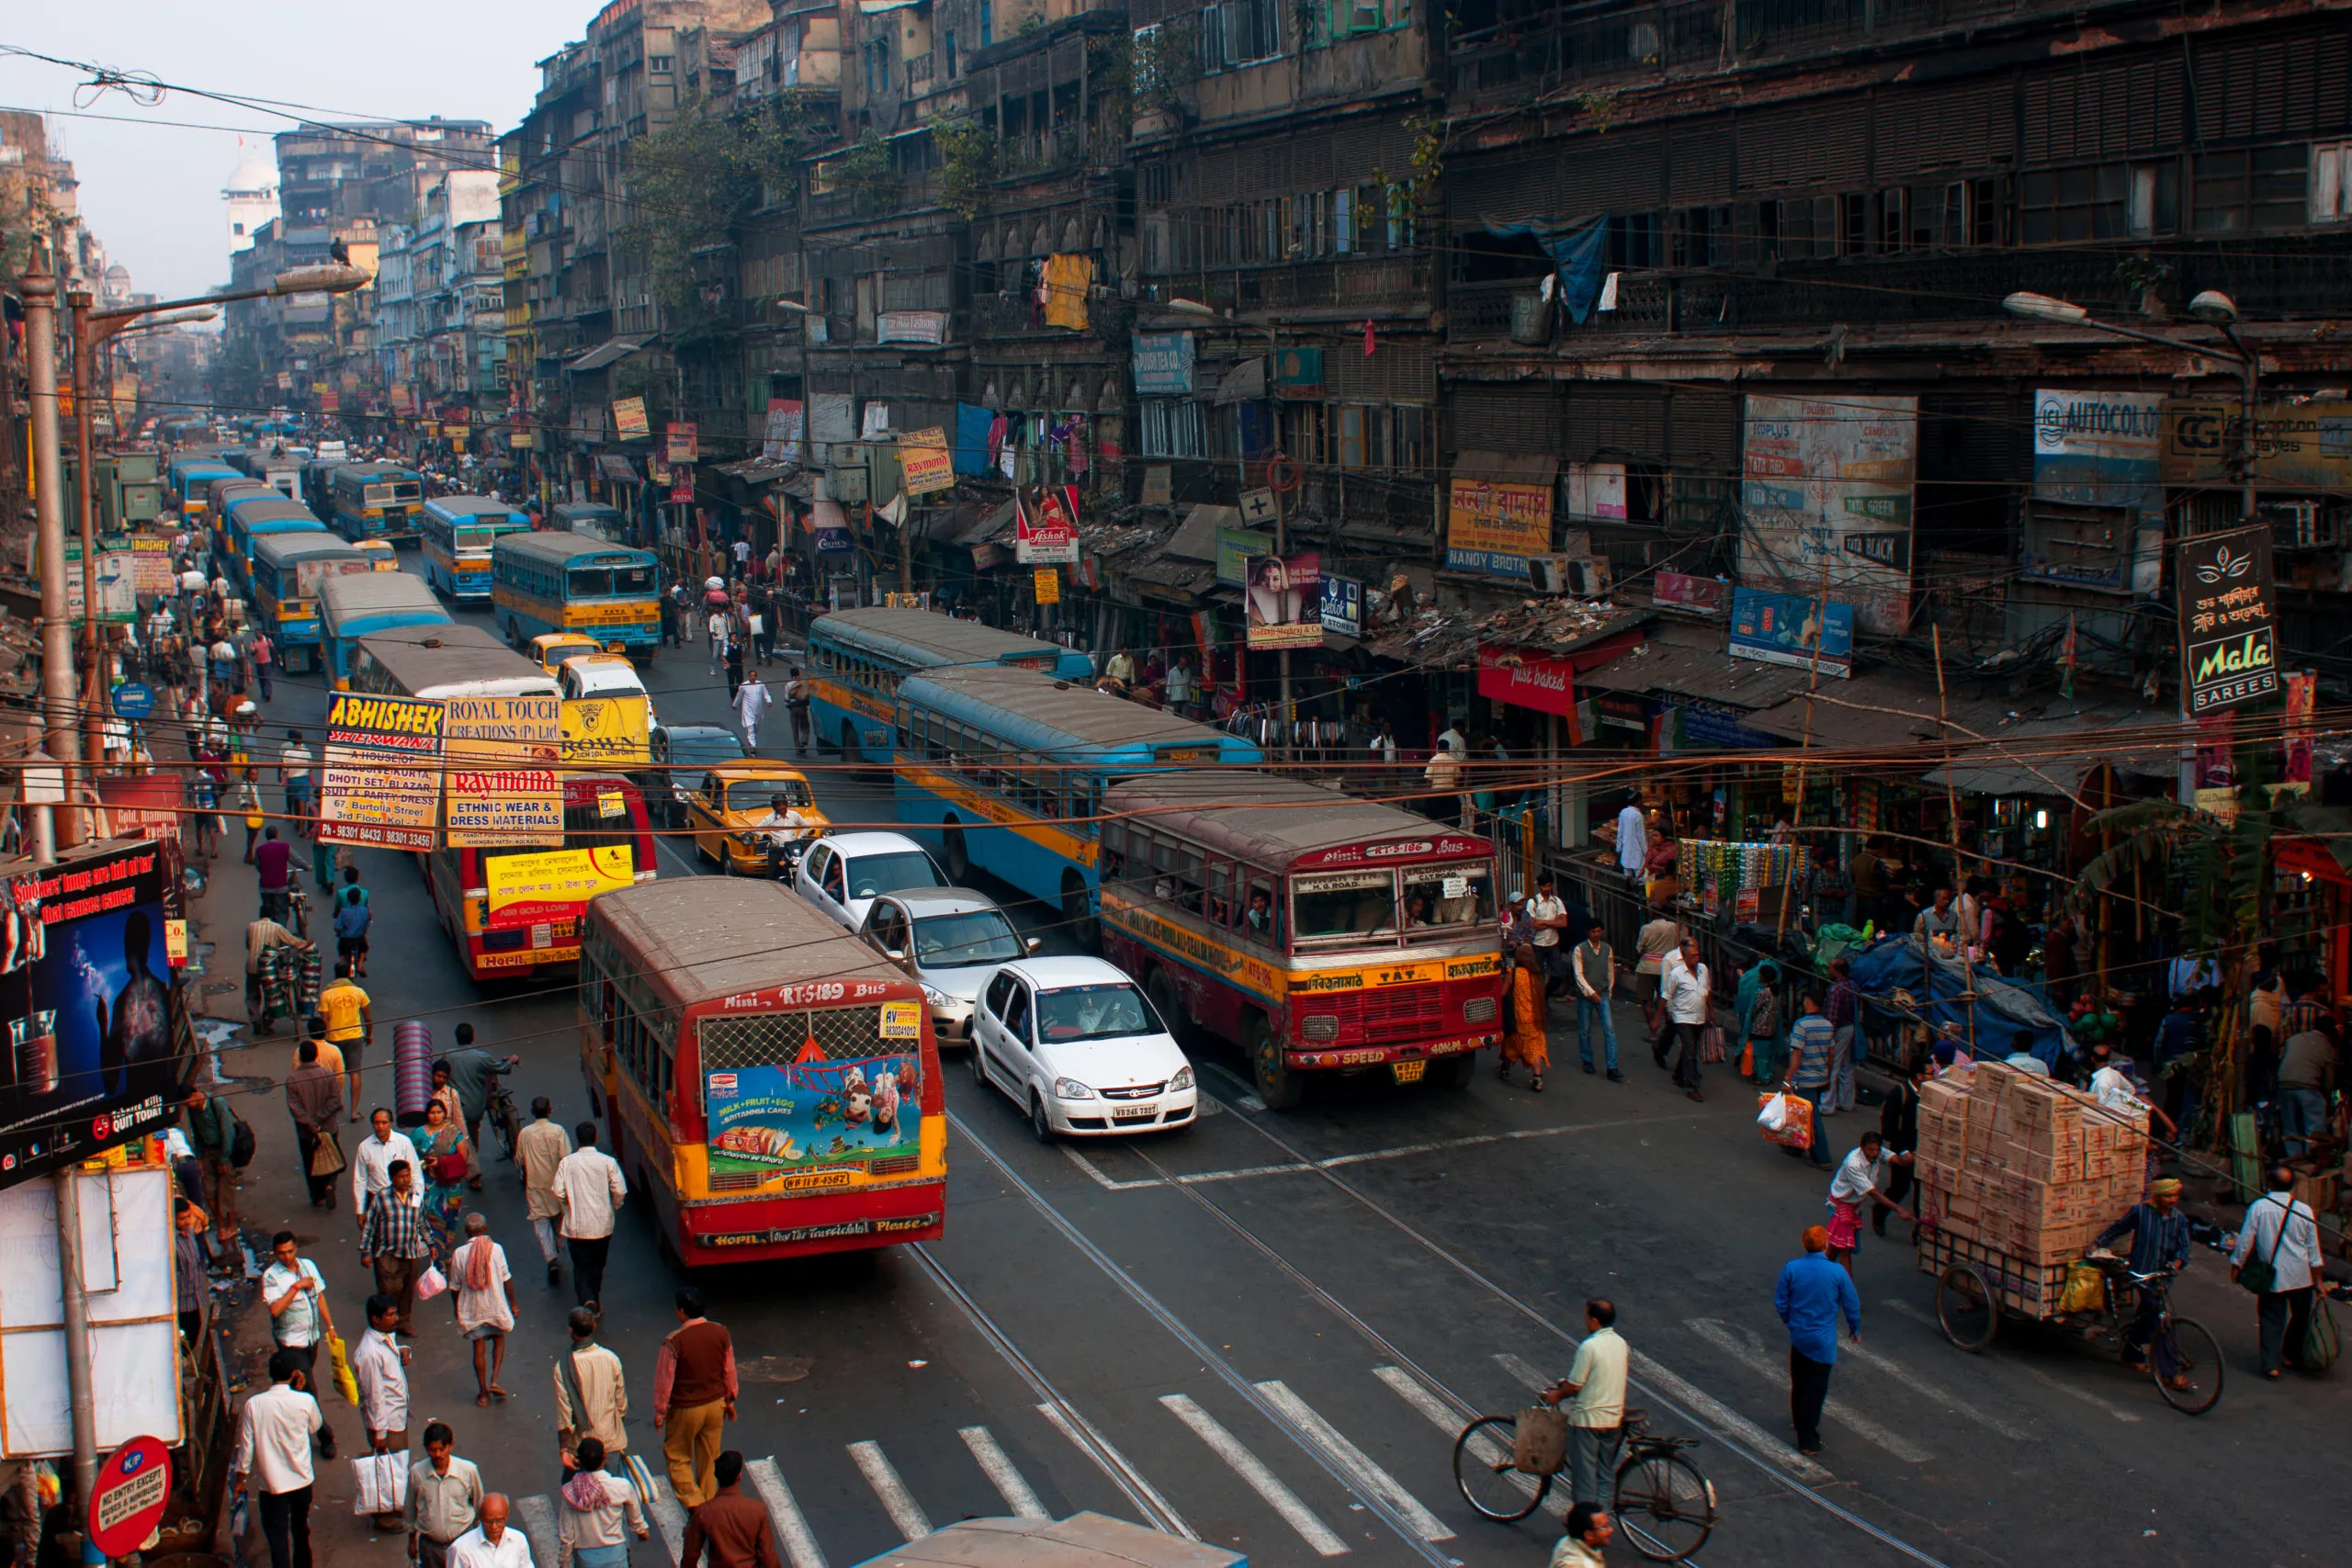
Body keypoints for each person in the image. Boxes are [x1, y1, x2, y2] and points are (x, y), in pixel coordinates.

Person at [2092, 1177, 2191, 1382]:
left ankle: (2131, 1354)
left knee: (2149, 1314)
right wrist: (2097, 1246)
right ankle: (2170, 1373)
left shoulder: (2179, 1219)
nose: (2172, 1200)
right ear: (2156, 1197)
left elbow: (2184, 1249)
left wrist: (2176, 1265)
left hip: (2163, 1276)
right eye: (2167, 1196)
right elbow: (2120, 1228)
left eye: (2174, 1196)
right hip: (2142, 1274)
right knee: (2158, 1314)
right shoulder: (2141, 1212)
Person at [1774, 1225, 1860, 1456]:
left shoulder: (1791, 1268)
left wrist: (1791, 1322)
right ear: (1825, 1245)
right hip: (1823, 1342)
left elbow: (1781, 1302)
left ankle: (1799, 1421)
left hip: (1799, 1337)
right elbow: (1851, 1304)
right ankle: (1808, 1439)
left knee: (1799, 1382)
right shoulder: (1838, 1272)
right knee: (1815, 1388)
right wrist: (1854, 1327)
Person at [2232, 1165, 2324, 1380]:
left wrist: (2236, 1264)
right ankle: (2291, 1355)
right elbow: (2314, 1249)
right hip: (2302, 1276)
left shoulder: (2259, 1207)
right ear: (2292, 1186)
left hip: (2272, 1277)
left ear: (2269, 1184)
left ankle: (2271, 1364)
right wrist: (2318, 1280)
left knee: (2271, 1318)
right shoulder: (2304, 1210)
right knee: (2300, 1317)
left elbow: (2246, 1241)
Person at [233, 1349, 323, 1568]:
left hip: (271, 1485)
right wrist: (300, 1392)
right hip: (301, 1480)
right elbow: (314, 1426)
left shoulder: (254, 1405)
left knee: (277, 1536)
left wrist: (241, 1478)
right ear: (294, 1374)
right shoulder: (305, 1401)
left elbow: (247, 1446)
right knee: (301, 1530)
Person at [655, 1286, 738, 1508]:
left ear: (681, 1311)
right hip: (715, 1405)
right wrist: (730, 1399)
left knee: (677, 1456)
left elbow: (665, 1382)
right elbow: (728, 1370)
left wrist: (660, 1412)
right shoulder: (721, 1332)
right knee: (710, 1457)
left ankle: (695, 1504)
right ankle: (710, 1503)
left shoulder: (673, 1342)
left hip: (686, 1408)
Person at [1541, 1300, 1628, 1507]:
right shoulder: (1620, 1343)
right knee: (1605, 1472)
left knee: (1585, 1477)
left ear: (1594, 1320)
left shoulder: (1589, 1347)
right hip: (1612, 1419)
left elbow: (1575, 1386)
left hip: (1588, 1421)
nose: (1585, 1320)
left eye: (1587, 1317)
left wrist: (1557, 1396)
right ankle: (1602, 1519)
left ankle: (1585, 1521)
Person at [351, 1294, 412, 1531]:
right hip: (386, 1420)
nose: (396, 1319)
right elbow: (374, 1396)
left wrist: (404, 1350)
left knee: (395, 1464)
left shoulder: (384, 1338)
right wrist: (380, 1431)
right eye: (390, 1315)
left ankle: (392, 1508)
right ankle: (384, 1515)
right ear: (375, 1319)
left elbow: (393, 1353)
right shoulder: (368, 1353)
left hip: (396, 1415)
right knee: (386, 1468)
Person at [554, 1121, 628, 1310]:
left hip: (576, 1227)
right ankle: (593, 1296)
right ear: (595, 1138)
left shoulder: (567, 1163)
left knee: (581, 1266)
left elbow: (558, 1192)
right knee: (598, 1265)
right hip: (602, 1226)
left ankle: (586, 1299)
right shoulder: (607, 1162)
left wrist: (568, 1208)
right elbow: (620, 1190)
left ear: (577, 1140)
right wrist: (612, 1207)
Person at [554, 1305, 631, 1478]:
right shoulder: (611, 1358)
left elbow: (564, 1411)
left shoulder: (563, 1367)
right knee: (612, 1493)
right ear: (593, 1327)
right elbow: (621, 1403)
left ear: (570, 1330)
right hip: (610, 1440)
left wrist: (564, 1449)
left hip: (582, 1447)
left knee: (577, 1495)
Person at [360, 1158, 433, 1336]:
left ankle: (403, 1322)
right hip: (387, 1252)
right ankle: (386, 1322)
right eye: (401, 1177)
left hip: (411, 1251)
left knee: (408, 1289)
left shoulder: (415, 1197)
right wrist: (365, 1251)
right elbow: (370, 1225)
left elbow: (421, 1222)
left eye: (408, 1176)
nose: (406, 1180)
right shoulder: (381, 1198)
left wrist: (431, 1243)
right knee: (388, 1289)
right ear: (392, 1178)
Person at [451, 1213, 517, 1405]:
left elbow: (455, 1287)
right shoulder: (496, 1250)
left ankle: (482, 1394)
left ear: (466, 1232)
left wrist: (457, 1308)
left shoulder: (459, 1254)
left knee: (478, 1348)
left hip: (473, 1309)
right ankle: (495, 1380)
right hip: (494, 1305)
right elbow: (507, 1279)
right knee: (499, 1339)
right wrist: (513, 1304)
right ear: (485, 1229)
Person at [1825, 1130, 1913, 1271]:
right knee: (1845, 1251)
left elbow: (1896, 1159)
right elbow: (1873, 1194)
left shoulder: (1878, 1153)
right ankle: (1847, 1288)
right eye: (1870, 1150)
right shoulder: (1853, 1163)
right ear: (1862, 1148)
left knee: (1834, 1250)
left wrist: (1906, 1158)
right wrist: (1899, 1209)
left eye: (1876, 1150)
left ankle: (1819, 1275)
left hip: (1853, 1208)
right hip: (1841, 1206)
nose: (1874, 1154)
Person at [558, 1438, 650, 1568]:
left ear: (579, 1461)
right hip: (616, 1553)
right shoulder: (621, 1486)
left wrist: (565, 1561)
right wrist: (642, 1531)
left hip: (585, 1557)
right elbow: (635, 1518)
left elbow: (567, 1534)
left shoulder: (571, 1491)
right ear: (604, 1456)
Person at [678, 1451, 780, 1568]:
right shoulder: (757, 1509)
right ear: (739, 1476)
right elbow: (768, 1555)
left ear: (716, 1476)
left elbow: (690, 1555)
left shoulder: (703, 1512)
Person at [440, 1023, 513, 1183]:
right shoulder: (482, 1057)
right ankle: (473, 1174)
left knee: (460, 1138)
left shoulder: (448, 1056)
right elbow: (502, 1069)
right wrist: (511, 1061)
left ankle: (467, 1170)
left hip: (456, 1107)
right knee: (471, 1137)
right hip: (475, 1107)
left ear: (456, 1038)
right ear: (472, 1037)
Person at [406, 1423, 484, 1568]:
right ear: (426, 1448)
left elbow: (479, 1506)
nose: (437, 1455)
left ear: (451, 1446)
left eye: (442, 1449)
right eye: (432, 1450)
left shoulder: (468, 1470)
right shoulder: (417, 1473)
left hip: (462, 1542)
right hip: (429, 1546)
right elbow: (411, 1509)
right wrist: (411, 1541)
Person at [262, 1229, 333, 1382]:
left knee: (301, 1380)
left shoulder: (308, 1265)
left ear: (296, 1248)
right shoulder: (271, 1276)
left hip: (312, 1339)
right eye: (281, 1253)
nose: (287, 1257)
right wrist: (297, 1286)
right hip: (291, 1343)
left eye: (290, 1251)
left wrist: (330, 1326)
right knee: (306, 1385)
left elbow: (319, 1296)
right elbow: (275, 1310)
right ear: (275, 1253)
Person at [517, 1100, 574, 1285]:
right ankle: (562, 1245)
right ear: (550, 1110)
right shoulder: (558, 1131)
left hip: (535, 1185)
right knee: (560, 1216)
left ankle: (551, 1259)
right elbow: (567, 1158)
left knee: (541, 1223)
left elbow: (519, 1158)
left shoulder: (525, 1133)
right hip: (558, 1184)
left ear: (532, 1112)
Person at [1780, 990, 1837, 1168]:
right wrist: (1827, 1074)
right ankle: (1797, 1146)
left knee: (1811, 1117)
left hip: (1804, 1079)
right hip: (1820, 1076)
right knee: (1804, 1114)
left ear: (1810, 1001)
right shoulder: (1828, 1025)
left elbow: (1797, 1054)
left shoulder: (1801, 1025)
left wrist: (1787, 1079)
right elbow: (1831, 1054)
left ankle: (1822, 1156)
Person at [1874, 1058, 1929, 1236]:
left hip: (1921, 1152)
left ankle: (1919, 1233)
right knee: (1899, 1188)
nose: (1933, 1076)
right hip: (1903, 1152)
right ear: (1919, 1076)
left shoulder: (1929, 1095)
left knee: (1922, 1196)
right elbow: (1889, 1128)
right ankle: (1880, 1212)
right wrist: (1902, 1151)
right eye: (1930, 1073)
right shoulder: (1900, 1094)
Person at [415, 1100, 473, 1268]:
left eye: (439, 1112)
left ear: (444, 1113)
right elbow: (411, 1156)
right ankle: (438, 1255)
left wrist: (440, 1163)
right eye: (432, 1112)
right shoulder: (419, 1134)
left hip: (450, 1185)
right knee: (433, 1217)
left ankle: (445, 1250)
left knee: (450, 1217)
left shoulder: (453, 1133)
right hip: (429, 1184)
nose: (436, 1116)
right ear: (427, 1114)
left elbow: (463, 1157)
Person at [285, 1041, 342, 1207]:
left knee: (310, 1161)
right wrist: (321, 1118)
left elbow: (294, 1106)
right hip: (329, 1126)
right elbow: (335, 1100)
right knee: (333, 1156)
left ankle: (317, 1196)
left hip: (306, 1131)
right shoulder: (328, 1074)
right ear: (317, 1055)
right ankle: (330, 1184)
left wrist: (310, 1122)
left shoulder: (292, 1079)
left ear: (301, 1057)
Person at [185, 1086, 241, 1241]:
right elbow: (196, 1133)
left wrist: (223, 1159)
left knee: (226, 1191)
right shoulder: (193, 1110)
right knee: (209, 1191)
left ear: (195, 1095)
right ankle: (221, 1225)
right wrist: (199, 1158)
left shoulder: (217, 1103)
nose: (186, 1106)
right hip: (207, 1152)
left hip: (222, 1151)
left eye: (187, 1101)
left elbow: (228, 1132)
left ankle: (231, 1226)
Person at [2277, 1017, 2337, 1160]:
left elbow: (2282, 1058)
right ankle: (2312, 1157)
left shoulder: (2295, 1039)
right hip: (2307, 1087)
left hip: (2284, 1085)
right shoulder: (2327, 1047)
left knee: (2289, 1126)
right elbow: (2329, 1080)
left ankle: (2294, 1158)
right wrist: (2327, 1096)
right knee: (2314, 1126)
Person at [354, 1107, 422, 1235]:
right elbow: (360, 1180)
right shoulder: (364, 1147)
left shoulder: (404, 1143)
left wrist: (416, 1205)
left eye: (384, 1123)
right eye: (377, 1123)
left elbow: (416, 1176)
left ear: (390, 1123)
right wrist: (360, 1211)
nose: (380, 1127)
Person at [318, 960, 371, 1117]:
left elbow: (324, 1021)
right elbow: (368, 1018)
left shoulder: (326, 994)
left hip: (333, 1038)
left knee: (334, 1074)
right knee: (355, 1073)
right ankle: (354, 1111)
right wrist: (370, 1035)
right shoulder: (359, 992)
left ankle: (337, 1103)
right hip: (355, 1037)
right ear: (350, 973)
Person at [1570, 919, 1622, 1080]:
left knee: (1610, 1030)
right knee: (1584, 1030)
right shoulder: (1580, 950)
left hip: (1603, 993)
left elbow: (1610, 971)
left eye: (1599, 931)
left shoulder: (1607, 949)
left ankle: (1612, 1066)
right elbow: (1579, 975)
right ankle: (1587, 1060)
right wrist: (1591, 993)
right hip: (1586, 995)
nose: (1597, 934)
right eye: (1593, 931)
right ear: (1588, 932)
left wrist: (1609, 990)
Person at [1660, 937, 1711, 1101]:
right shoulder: (1677, 973)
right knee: (1690, 1050)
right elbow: (1666, 995)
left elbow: (1707, 991)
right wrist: (1657, 1018)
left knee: (1691, 1048)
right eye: (1693, 955)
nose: (1697, 958)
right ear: (1685, 956)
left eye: (1698, 955)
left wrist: (1712, 1011)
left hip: (1699, 1017)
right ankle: (1693, 1086)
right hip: (1682, 1017)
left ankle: (1678, 1074)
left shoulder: (1703, 970)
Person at [1499, 943, 1549, 1092]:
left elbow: (1502, 994)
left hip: (1518, 1018)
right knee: (1535, 1047)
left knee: (1510, 1044)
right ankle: (1537, 1078)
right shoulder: (1537, 975)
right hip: (1535, 1018)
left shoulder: (1513, 973)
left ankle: (1505, 1069)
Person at [1633, 908, 1682, 1048]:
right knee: (1666, 999)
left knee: (1646, 1001)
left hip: (1647, 967)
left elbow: (1639, 948)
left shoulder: (1646, 928)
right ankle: (1668, 1031)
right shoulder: (1673, 927)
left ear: (1652, 914)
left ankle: (1654, 1032)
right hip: (1666, 966)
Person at [446, 1494, 530, 1568]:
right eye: (489, 1522)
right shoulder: (461, 1548)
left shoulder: (519, 1540)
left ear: (506, 1517)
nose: (494, 1527)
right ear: (481, 1518)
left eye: (499, 1521)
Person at [1824, 957, 1859, 1113]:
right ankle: (1847, 1102)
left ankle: (1827, 1104)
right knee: (1846, 1065)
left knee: (1833, 1065)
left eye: (1831, 968)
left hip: (1838, 1030)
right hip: (1850, 1027)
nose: (1828, 970)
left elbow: (1832, 1017)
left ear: (1837, 971)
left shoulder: (1836, 989)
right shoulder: (1852, 986)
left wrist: (1829, 1035)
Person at [1527, 874, 1569, 1001]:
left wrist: (1544, 922)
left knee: (1558, 974)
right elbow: (1533, 925)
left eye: (1549, 885)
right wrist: (1553, 922)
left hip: (1553, 943)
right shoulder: (1533, 902)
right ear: (1539, 886)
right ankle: (1539, 1000)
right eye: (1544, 886)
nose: (1547, 888)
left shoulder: (1556, 901)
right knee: (1537, 975)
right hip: (1537, 944)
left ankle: (1545, 995)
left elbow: (1564, 923)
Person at [1549, 1503, 1614, 1568]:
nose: (1611, 1530)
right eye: (1604, 1527)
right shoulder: (1579, 1565)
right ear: (1589, 1535)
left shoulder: (1566, 1541)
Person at [279, 728, 312, 829]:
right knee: (302, 804)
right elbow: (311, 767)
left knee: (294, 800)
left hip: (292, 780)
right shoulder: (307, 752)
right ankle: (301, 828)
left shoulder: (288, 753)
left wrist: (282, 778)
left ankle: (293, 816)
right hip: (304, 780)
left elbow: (285, 768)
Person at [1614, 792, 1647, 881]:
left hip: (1626, 852)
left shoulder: (1623, 812)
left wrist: (1618, 848)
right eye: (1641, 800)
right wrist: (1646, 851)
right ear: (1638, 801)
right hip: (1637, 853)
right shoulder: (1638, 815)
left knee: (1627, 878)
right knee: (1640, 877)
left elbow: (1619, 833)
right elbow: (1641, 836)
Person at [735, 670, 771, 750]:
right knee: (750, 727)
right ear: (748, 676)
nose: (753, 677)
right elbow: (739, 697)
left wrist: (769, 700)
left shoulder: (760, 684)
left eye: (754, 676)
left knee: (755, 727)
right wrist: (735, 705)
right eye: (751, 676)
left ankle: (751, 739)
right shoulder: (743, 686)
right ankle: (753, 746)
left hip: (758, 710)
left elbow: (766, 693)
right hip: (748, 711)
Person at [784, 666, 812, 754]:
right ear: (798, 674)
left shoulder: (788, 685)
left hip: (793, 709)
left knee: (794, 729)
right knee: (805, 726)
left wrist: (789, 706)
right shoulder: (803, 683)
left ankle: (797, 749)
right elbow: (807, 695)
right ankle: (803, 741)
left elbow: (786, 698)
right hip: (802, 708)